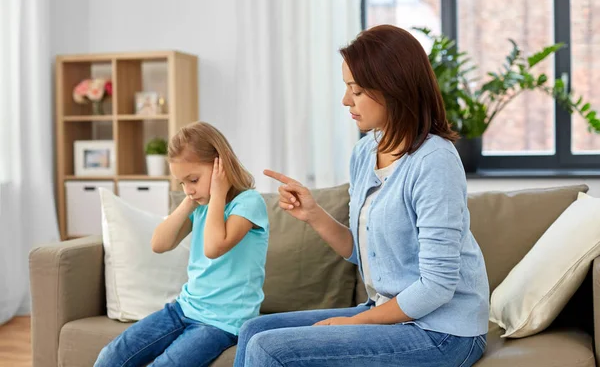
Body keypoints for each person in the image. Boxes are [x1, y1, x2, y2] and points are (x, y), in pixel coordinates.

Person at [234, 25, 490, 367]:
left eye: (356, 90)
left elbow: (438, 286)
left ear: (393, 88)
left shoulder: (434, 160)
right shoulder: (365, 152)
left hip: (444, 331)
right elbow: (363, 252)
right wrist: (313, 213)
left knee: (270, 350)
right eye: (346, 88)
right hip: (392, 313)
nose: (345, 101)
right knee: (253, 330)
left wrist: (355, 322)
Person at [95, 121, 270, 367]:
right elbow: (158, 244)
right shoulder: (199, 204)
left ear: (220, 165)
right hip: (184, 308)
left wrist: (218, 194)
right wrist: (189, 200)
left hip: (223, 322)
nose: (188, 189)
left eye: (193, 179)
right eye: (181, 183)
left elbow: (213, 247)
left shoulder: (248, 203)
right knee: (111, 356)